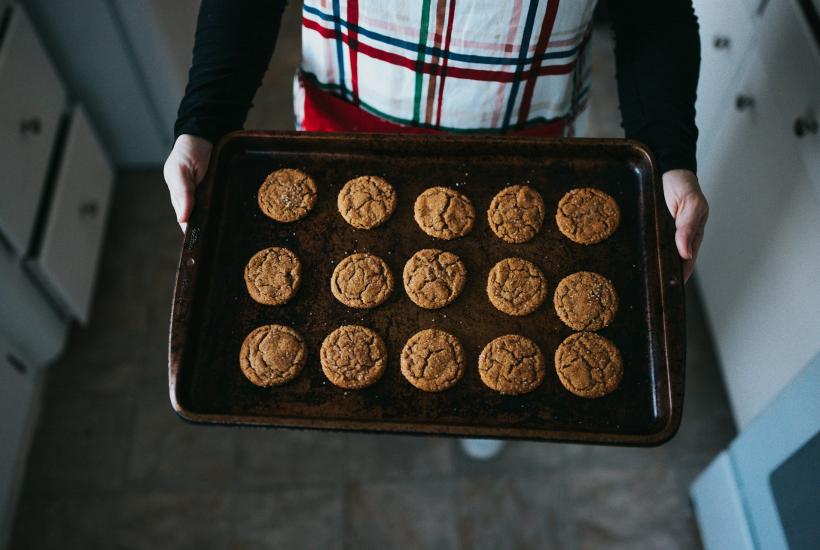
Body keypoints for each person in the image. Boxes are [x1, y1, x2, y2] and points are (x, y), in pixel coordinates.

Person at [164, 0, 708, 459]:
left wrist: (669, 152)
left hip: (525, 149)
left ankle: (484, 417)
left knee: (493, 361)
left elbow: (655, 12)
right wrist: (206, 119)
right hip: (346, 131)